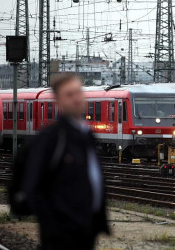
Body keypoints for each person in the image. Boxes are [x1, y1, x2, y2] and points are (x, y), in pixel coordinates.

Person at [22, 74, 109, 250]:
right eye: (69, 94)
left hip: (86, 231)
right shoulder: (50, 139)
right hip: (61, 234)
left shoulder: (86, 136)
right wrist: (52, 225)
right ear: (58, 101)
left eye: (78, 92)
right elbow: (32, 185)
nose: (76, 98)